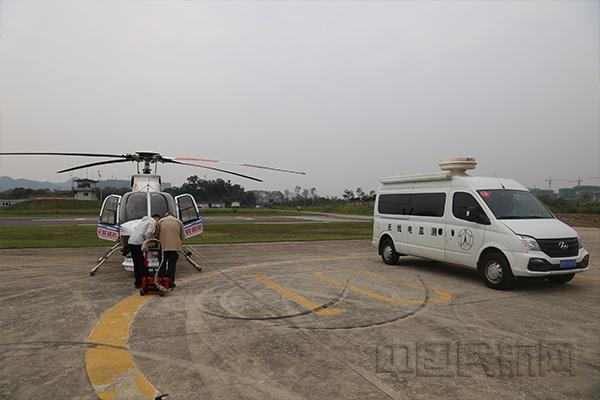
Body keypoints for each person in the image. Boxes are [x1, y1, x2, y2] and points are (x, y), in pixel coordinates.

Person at [128, 214, 161, 288]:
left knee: (136, 263)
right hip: (138, 243)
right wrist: (148, 242)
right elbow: (148, 233)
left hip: (131, 241)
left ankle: (138, 282)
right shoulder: (153, 222)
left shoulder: (143, 221)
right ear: (157, 219)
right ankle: (144, 281)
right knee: (142, 263)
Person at [155, 212, 185, 289]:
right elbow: (183, 237)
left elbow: (156, 234)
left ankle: (161, 280)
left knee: (162, 264)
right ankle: (170, 282)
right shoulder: (178, 222)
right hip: (175, 247)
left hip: (163, 247)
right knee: (172, 265)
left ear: (166, 215)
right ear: (173, 215)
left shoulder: (161, 221)